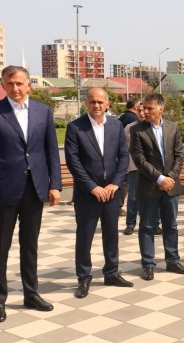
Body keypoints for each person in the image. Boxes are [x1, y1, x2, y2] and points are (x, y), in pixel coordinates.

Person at [0, 65, 61, 322]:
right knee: (0, 247)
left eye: (20, 83)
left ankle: (31, 294)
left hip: (35, 189)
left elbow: (51, 151)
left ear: (29, 85)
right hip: (3, 192)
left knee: (30, 245)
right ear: (3, 85)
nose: (15, 88)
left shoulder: (43, 112)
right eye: (10, 83)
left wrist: (54, 185)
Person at [65, 88, 133, 299]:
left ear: (107, 104)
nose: (96, 105)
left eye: (100, 102)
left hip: (112, 192)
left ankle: (111, 273)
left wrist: (115, 184)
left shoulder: (116, 125)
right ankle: (84, 278)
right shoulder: (75, 127)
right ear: (86, 103)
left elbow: (123, 156)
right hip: (88, 193)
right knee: (84, 236)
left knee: (111, 234)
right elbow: (73, 161)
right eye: (92, 101)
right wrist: (92, 187)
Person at [129, 93, 184, 281]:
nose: (145, 111)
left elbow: (179, 155)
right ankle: (148, 264)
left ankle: (173, 261)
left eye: (149, 108)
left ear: (161, 109)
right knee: (147, 226)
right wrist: (160, 179)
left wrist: (170, 178)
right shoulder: (137, 130)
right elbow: (139, 159)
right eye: (143, 108)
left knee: (171, 225)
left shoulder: (173, 127)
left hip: (171, 186)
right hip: (148, 186)